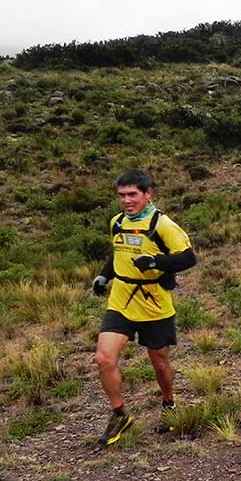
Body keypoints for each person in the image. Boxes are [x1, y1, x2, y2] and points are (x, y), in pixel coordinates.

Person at [91, 170, 197, 446]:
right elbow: (119, 254)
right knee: (104, 359)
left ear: (148, 193)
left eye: (132, 195)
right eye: (121, 195)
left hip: (153, 303)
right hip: (121, 300)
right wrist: (105, 275)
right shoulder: (117, 223)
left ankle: (168, 403)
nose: (126, 201)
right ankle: (119, 415)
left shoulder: (162, 225)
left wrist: (155, 263)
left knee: (159, 363)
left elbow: (188, 258)